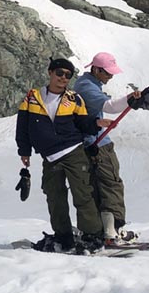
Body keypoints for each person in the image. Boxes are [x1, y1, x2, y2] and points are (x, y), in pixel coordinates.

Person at [16, 57, 104, 252]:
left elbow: (83, 124)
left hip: (74, 152)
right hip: (50, 157)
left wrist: (96, 124)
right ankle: (63, 237)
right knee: (54, 197)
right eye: (60, 73)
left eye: (68, 75)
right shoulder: (32, 98)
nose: (63, 78)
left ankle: (92, 236)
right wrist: (24, 151)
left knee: (82, 194)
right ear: (50, 72)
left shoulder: (74, 99)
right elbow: (22, 126)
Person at [72, 52, 142, 245]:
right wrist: (130, 99)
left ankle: (101, 231)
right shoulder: (86, 86)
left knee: (98, 185)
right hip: (98, 144)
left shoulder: (89, 84)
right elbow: (109, 107)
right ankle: (113, 231)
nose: (111, 76)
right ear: (96, 69)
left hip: (92, 142)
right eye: (108, 73)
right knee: (111, 183)